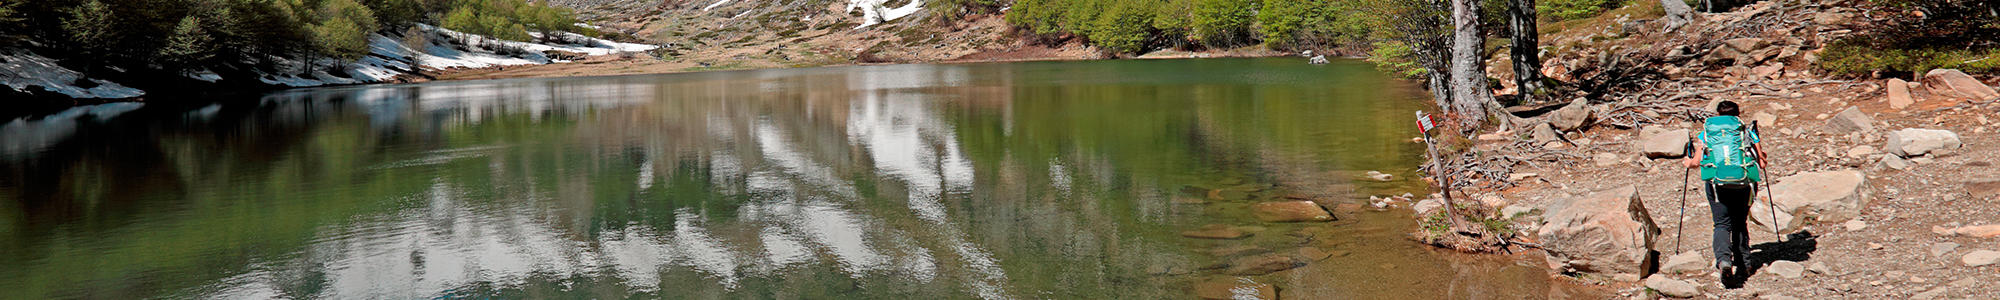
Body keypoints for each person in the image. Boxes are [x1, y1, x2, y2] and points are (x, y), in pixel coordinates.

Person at [1682, 100, 1766, 276]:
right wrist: (1762, 155)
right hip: (1744, 184)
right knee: (1739, 223)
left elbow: (1696, 163)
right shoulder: (1747, 131)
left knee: (1721, 224)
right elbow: (1762, 164)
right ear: (1738, 114)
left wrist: (1688, 162)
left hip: (1717, 186)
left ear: (1718, 115)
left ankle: (1724, 261)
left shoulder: (1707, 133)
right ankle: (1745, 264)